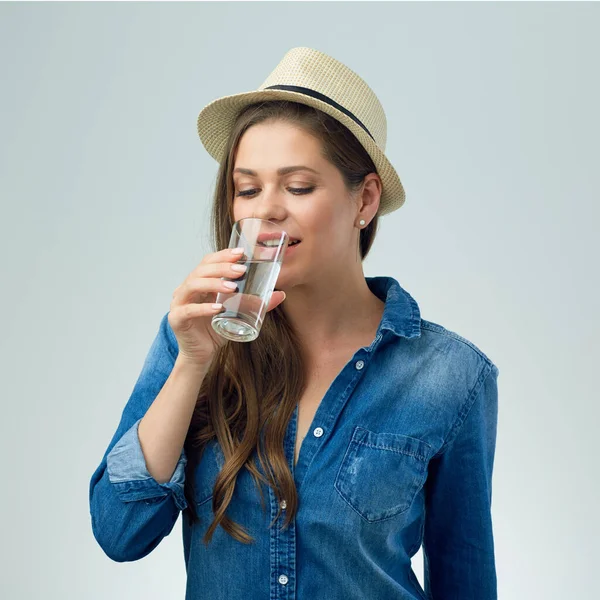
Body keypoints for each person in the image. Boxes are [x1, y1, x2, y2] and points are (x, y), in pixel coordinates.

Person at [89, 47, 500, 599]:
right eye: (248, 189)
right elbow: (119, 533)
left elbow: (466, 579)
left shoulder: (451, 374)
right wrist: (191, 365)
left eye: (299, 186)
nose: (268, 211)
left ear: (366, 199)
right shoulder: (193, 339)